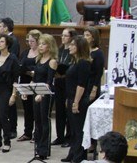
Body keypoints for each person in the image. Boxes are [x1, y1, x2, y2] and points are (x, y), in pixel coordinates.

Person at [61, 35, 91, 163]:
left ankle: (79, 156)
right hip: (71, 97)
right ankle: (72, 153)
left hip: (79, 99)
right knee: (73, 129)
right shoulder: (75, 61)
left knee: (78, 130)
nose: (70, 47)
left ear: (79, 47)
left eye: (73, 45)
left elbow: (81, 84)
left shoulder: (84, 63)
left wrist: (76, 102)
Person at [30, 34, 58, 160]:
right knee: (37, 120)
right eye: (39, 43)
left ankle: (44, 149)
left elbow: (49, 81)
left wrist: (41, 94)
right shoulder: (38, 59)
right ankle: (38, 147)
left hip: (46, 93)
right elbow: (35, 79)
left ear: (50, 46)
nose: (40, 46)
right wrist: (27, 90)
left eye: (43, 44)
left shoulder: (52, 61)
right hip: (36, 92)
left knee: (44, 119)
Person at [52, 28, 77, 147]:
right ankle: (60, 136)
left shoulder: (73, 51)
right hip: (58, 81)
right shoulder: (60, 49)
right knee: (59, 110)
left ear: (72, 37)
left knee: (68, 111)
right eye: (62, 35)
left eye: (66, 36)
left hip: (68, 82)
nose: (63, 38)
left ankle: (69, 137)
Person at [17, 29, 41, 142]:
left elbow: (39, 68)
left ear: (38, 41)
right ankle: (27, 132)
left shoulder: (41, 53)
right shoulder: (26, 52)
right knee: (27, 109)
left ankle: (37, 133)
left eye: (32, 41)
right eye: (28, 41)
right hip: (25, 81)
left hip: (36, 83)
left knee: (35, 109)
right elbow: (20, 65)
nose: (30, 43)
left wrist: (32, 71)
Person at [84, 27, 104, 103]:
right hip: (83, 83)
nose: (85, 37)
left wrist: (94, 89)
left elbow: (99, 73)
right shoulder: (83, 51)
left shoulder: (98, 53)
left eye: (87, 35)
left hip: (92, 84)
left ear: (93, 38)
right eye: (84, 35)